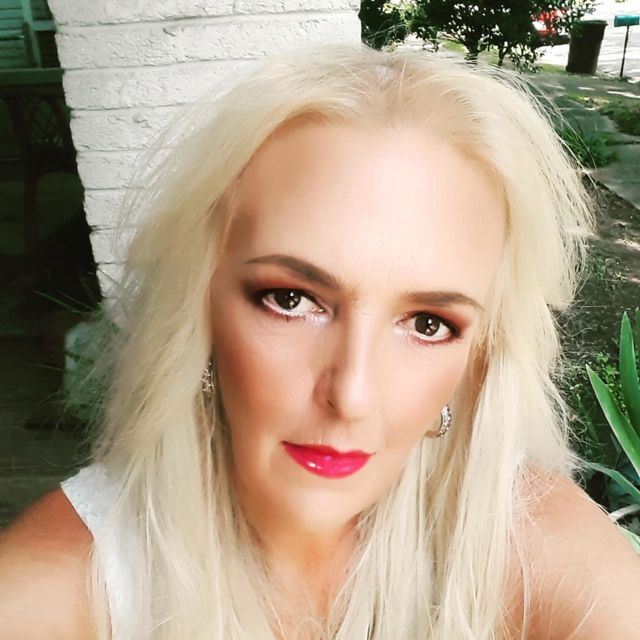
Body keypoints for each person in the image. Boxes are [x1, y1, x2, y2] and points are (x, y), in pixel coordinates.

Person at [1, 42, 639, 640]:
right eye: (291, 299)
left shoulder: (528, 538)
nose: (352, 395)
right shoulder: (60, 584)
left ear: (477, 357)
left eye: (428, 323)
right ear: (199, 308)